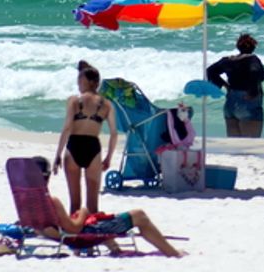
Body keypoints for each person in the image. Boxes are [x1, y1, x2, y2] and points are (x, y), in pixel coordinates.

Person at [32, 156, 184, 258]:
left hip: (70, 238)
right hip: (83, 236)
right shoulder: (52, 201)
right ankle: (173, 253)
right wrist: (84, 213)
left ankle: (115, 247)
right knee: (139, 216)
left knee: (114, 218)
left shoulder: (28, 202)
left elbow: (42, 229)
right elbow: (74, 229)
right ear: (47, 176)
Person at [53, 60, 118, 214]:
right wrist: (109, 157)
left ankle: (74, 234)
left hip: (74, 145)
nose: (78, 84)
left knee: (75, 204)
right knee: (93, 206)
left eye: (79, 81)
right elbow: (114, 133)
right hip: (93, 148)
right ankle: (92, 235)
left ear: (86, 81)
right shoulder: (107, 104)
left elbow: (67, 127)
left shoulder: (74, 100)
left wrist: (58, 155)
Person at [206, 33, 264, 138]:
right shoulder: (253, 59)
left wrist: (224, 85)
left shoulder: (228, 60)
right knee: (250, 146)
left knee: (235, 146)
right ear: (253, 47)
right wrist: (253, 92)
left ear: (238, 47)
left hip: (230, 104)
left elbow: (210, 71)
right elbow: (255, 72)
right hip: (248, 102)